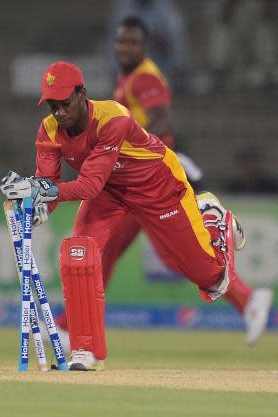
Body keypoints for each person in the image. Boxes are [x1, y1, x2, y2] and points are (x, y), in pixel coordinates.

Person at [0, 61, 259, 371]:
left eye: (65, 103)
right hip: (110, 193)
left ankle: (217, 221)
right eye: (52, 105)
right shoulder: (49, 129)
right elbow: (49, 186)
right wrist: (33, 205)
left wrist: (40, 191)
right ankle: (85, 351)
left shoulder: (113, 119)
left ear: (82, 93)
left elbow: (88, 184)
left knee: (211, 278)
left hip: (157, 184)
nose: (59, 112)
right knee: (78, 251)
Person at [48, 17, 273, 353]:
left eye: (132, 43)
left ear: (145, 46)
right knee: (126, 254)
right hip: (129, 178)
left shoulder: (145, 78)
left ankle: (72, 329)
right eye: (120, 42)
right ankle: (248, 299)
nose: (125, 48)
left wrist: (126, 144)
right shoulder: (128, 79)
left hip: (145, 179)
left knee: (106, 251)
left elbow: (164, 121)